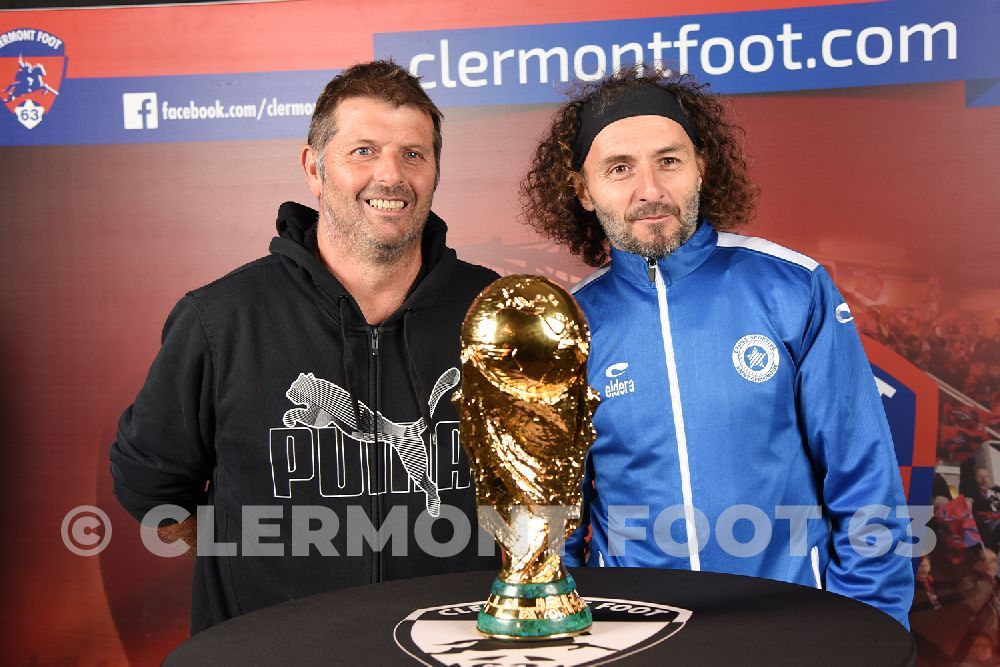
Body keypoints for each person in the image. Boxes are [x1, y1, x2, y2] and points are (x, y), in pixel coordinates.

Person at [110, 60, 499, 633]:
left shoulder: (493, 309)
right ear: (313, 168)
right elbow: (154, 490)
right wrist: (254, 569)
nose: (391, 176)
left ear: (435, 170)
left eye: (413, 154)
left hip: (458, 647)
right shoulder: (221, 319)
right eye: (363, 151)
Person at [520, 66, 913, 627]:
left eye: (668, 160)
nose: (649, 190)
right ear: (582, 189)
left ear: (702, 165)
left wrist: (872, 629)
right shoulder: (570, 323)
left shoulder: (793, 287)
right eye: (619, 168)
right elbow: (554, 516)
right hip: (635, 632)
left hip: (790, 625)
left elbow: (863, 475)